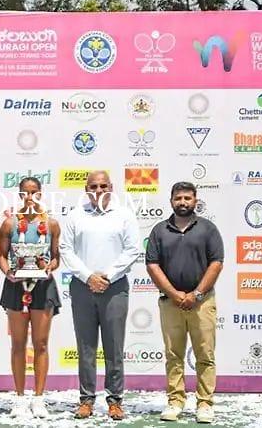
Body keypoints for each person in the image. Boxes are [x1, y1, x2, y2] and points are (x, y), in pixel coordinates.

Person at [59, 170, 140, 420]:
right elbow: (65, 249)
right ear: (86, 189)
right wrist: (88, 277)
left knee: (114, 346)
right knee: (86, 347)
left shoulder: (124, 215)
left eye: (103, 186)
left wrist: (108, 276)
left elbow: (133, 249)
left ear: (111, 187)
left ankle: (115, 400)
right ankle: (86, 400)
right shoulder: (75, 215)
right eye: (93, 186)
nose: (98, 190)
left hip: (114, 287)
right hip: (82, 287)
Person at [146, 182, 224, 424]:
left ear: (195, 200)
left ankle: (205, 404)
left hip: (202, 303)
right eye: (178, 198)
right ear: (171, 201)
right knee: (173, 355)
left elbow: (216, 263)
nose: (183, 202)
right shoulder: (159, 230)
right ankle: (175, 401)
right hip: (171, 304)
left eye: (187, 198)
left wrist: (196, 294)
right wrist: (174, 294)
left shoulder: (208, 229)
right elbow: (152, 265)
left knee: (205, 355)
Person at [0, 176, 61, 418]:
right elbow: (2, 255)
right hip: (16, 286)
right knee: (18, 344)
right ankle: (19, 397)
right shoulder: (10, 224)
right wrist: (8, 272)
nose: (30, 196)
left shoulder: (51, 224)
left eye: (35, 192)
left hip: (43, 286)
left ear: (41, 194)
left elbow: (55, 257)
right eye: (25, 192)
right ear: (20, 195)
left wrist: (49, 267)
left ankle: (39, 398)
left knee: (41, 343)